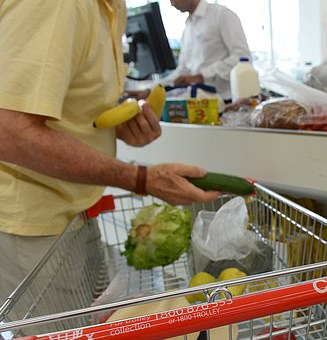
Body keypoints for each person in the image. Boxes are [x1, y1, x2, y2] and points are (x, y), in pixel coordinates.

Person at [0, 0, 220, 302]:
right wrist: (139, 178)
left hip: (73, 211)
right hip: (31, 223)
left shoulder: (110, 8)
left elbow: (66, 102)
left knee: (88, 335)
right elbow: (9, 131)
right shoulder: (57, 6)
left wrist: (116, 123)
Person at [164, 0, 251, 101]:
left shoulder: (221, 15)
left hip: (226, 101)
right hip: (198, 103)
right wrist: (154, 88)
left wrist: (203, 76)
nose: (172, 4)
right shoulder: (188, 27)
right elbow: (183, 69)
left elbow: (242, 57)